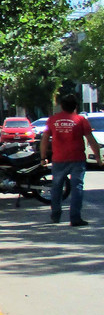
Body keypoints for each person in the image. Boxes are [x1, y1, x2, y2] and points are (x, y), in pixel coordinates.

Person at [40, 94, 101, 226]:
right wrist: (98, 157)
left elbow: (44, 139)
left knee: (56, 187)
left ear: (61, 106)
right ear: (76, 106)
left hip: (59, 159)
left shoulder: (52, 120)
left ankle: (55, 215)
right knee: (77, 187)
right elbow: (91, 140)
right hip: (77, 158)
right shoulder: (80, 120)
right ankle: (75, 218)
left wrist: (43, 157)